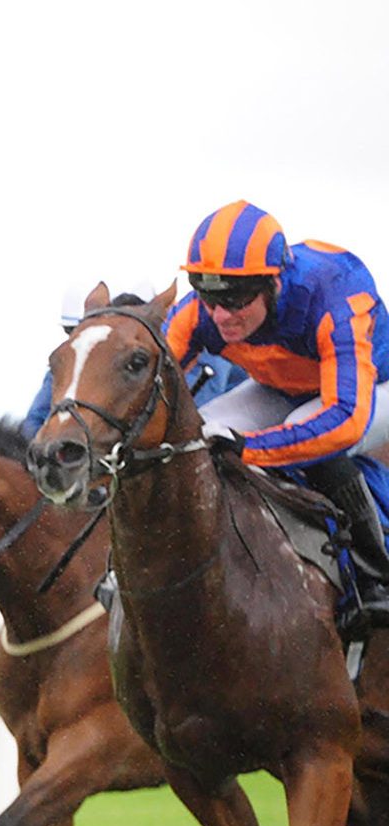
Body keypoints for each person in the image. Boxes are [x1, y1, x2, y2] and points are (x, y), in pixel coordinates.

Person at [163, 200, 389, 625]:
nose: (221, 314)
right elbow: (148, 378)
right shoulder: (198, 313)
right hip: (281, 386)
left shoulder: (336, 290)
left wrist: (250, 448)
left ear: (275, 282)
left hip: (372, 387)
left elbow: (345, 419)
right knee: (200, 436)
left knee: (301, 437)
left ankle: (377, 575)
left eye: (236, 298)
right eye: (207, 293)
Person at [21, 284, 244, 439]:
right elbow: (33, 422)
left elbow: (195, 415)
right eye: (71, 331)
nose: (77, 336)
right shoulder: (70, 363)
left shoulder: (202, 345)